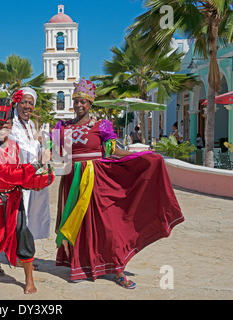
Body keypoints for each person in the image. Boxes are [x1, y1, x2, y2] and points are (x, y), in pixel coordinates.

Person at [53, 78, 184, 289]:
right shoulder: (63, 127)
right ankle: (82, 265)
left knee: (108, 225)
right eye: (76, 100)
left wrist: (140, 157)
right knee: (78, 224)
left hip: (96, 180)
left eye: (83, 101)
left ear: (90, 103)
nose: (78, 105)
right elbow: (58, 154)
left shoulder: (100, 126)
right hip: (72, 181)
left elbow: (112, 150)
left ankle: (117, 269)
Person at [0, 99, 55, 294]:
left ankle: (29, 280)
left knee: (24, 238)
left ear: (11, 124)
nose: (2, 126)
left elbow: (18, 177)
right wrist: (36, 165)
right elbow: (3, 173)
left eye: (6, 123)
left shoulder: (15, 146)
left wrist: (39, 181)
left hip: (14, 200)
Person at [9, 87, 51, 241]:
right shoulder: (11, 123)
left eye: (31, 103)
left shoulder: (31, 124)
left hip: (32, 174)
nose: (27, 106)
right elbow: (19, 147)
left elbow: (35, 147)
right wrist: (37, 141)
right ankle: (18, 253)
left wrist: (40, 142)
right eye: (23, 102)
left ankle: (25, 251)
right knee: (19, 215)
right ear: (16, 103)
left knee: (31, 214)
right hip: (18, 176)